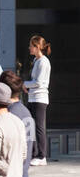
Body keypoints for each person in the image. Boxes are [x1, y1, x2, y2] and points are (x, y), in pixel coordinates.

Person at [24, 35, 51, 166]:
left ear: (37, 47)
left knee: (39, 127)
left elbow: (39, 82)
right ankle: (34, 153)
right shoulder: (36, 60)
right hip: (33, 97)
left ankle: (42, 156)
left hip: (40, 98)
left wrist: (25, 84)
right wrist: (27, 88)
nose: (29, 48)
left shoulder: (43, 61)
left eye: (31, 46)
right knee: (30, 124)